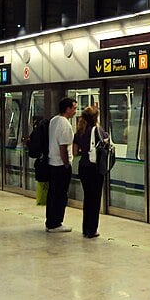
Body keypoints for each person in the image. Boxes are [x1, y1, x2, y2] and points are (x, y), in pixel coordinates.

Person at [73, 106, 106, 238]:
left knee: (87, 198)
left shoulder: (79, 131)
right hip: (95, 168)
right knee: (95, 198)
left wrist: (84, 151)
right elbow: (105, 144)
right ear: (95, 117)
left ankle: (86, 228)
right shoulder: (98, 130)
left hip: (83, 166)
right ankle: (92, 229)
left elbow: (75, 152)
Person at [45, 97, 77, 233]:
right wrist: (66, 164)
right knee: (60, 194)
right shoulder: (65, 124)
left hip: (51, 162)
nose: (75, 111)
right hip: (60, 165)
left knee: (52, 194)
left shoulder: (54, 120)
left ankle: (50, 221)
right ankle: (56, 223)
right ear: (68, 109)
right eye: (74, 108)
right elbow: (63, 147)